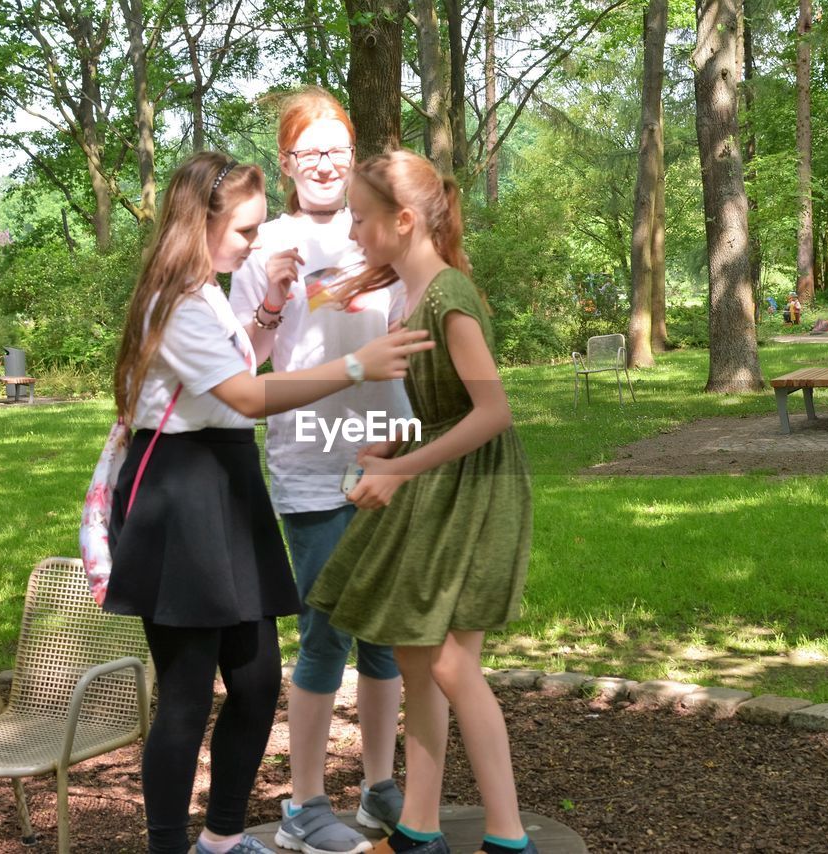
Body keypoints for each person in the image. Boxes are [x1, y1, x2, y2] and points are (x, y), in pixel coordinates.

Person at [104, 151, 432, 854]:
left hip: (226, 484)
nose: (254, 244)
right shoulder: (178, 299)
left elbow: (237, 368)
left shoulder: (208, 289)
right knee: (188, 696)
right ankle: (171, 848)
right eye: (246, 231)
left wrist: (273, 307)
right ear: (202, 223)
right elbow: (248, 397)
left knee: (255, 683)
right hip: (182, 495)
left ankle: (222, 841)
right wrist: (353, 366)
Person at [307, 150, 536, 854]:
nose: (351, 233)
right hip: (441, 480)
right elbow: (446, 410)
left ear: (403, 221)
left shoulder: (449, 298)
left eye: (361, 218)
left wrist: (404, 473)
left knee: (450, 665)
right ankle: (419, 828)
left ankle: (508, 837)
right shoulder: (412, 297)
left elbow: (492, 412)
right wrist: (395, 447)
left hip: (479, 488)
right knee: (414, 658)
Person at [229, 86, 408, 854]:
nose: (327, 163)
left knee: (387, 639)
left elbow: (417, 330)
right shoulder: (262, 243)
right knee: (326, 636)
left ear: (355, 152)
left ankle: (378, 787)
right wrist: (271, 300)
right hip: (310, 464)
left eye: (339, 147)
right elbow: (241, 370)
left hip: (391, 451)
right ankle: (304, 804)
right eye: (311, 151)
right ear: (288, 161)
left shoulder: (387, 233)